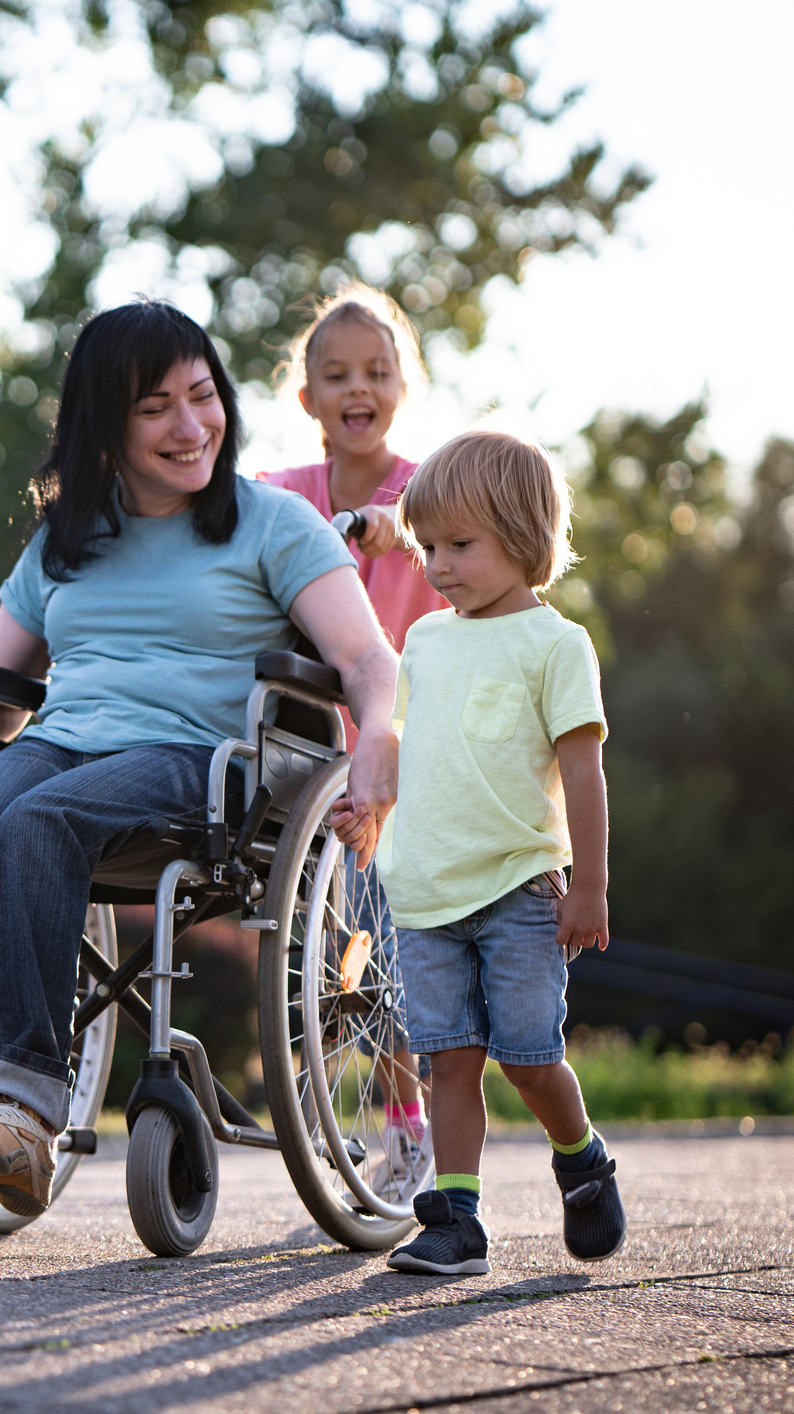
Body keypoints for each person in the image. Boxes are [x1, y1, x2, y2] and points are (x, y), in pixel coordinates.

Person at [0, 301, 403, 1252]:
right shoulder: (67, 540)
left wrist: (380, 732)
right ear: (104, 424)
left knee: (37, 824)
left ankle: (26, 1112)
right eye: (157, 408)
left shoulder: (274, 525)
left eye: (202, 398)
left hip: (198, 756)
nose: (191, 428)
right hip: (62, 738)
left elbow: (363, 659)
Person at [367, 429, 627, 1276]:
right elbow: (422, 745)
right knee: (450, 1059)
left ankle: (581, 1157)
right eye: (428, 546)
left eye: (460, 545)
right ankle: (458, 1220)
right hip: (428, 893)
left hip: (521, 888)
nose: (437, 565)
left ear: (522, 538)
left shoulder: (557, 646)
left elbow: (584, 773)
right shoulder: (427, 642)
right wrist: (371, 795)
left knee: (529, 1058)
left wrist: (588, 884)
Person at [256, 287, 444, 1204]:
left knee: (392, 949)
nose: (356, 388)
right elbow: (235, 517)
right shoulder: (288, 496)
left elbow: (456, 537)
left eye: (375, 371)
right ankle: (336, 1108)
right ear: (307, 399)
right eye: (336, 375)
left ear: (403, 386)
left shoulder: (428, 490)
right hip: (307, 757)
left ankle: (410, 1130)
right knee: (328, 950)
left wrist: (395, 531)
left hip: (404, 751)